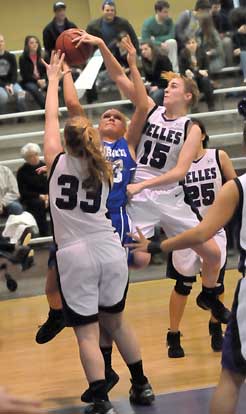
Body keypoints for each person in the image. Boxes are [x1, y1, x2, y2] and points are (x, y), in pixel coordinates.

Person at [73, 32, 231, 331]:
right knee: (132, 259)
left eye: (173, 86)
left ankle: (209, 295)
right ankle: (99, 302)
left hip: (168, 196)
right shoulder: (151, 110)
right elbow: (120, 77)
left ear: (187, 96)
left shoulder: (191, 127)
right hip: (141, 200)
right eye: (167, 85)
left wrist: (143, 185)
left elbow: (181, 171)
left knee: (213, 254)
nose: (166, 90)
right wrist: (104, 46)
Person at [42, 47, 154, 413]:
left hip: (76, 254)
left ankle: (101, 399)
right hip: (109, 248)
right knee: (117, 323)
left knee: (87, 334)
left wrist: (55, 80)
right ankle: (142, 384)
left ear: (66, 143)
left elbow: (53, 118)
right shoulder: (106, 165)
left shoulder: (56, 162)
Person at [126, 172, 246, 414]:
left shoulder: (235, 183)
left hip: (196, 228)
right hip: (186, 221)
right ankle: (175, 333)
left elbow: (202, 233)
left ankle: (210, 315)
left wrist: (158, 245)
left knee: (232, 376)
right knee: (183, 286)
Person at [165, 119, 236, 358]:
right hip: (186, 231)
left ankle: (215, 327)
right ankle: (173, 334)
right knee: (183, 286)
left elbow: (236, 187)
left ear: (203, 135)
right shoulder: (175, 164)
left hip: (213, 228)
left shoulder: (218, 156)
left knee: (216, 284)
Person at [86, 0, 140, 102]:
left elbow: (133, 39)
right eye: (107, 10)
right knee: (92, 61)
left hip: (119, 56)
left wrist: (137, 54)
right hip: (100, 56)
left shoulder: (123, 23)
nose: (110, 12)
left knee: (128, 71)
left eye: (112, 10)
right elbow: (87, 43)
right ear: (102, 11)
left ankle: (135, 99)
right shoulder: (93, 26)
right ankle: (92, 99)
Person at [17, 143, 49, 237]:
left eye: (35, 154)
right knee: (38, 204)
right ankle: (43, 234)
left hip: (48, 195)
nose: (34, 157)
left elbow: (52, 183)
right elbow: (23, 191)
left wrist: (48, 195)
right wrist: (39, 196)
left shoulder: (46, 166)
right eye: (30, 156)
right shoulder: (22, 171)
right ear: (25, 159)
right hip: (32, 198)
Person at [179, 37, 215, 111]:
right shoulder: (183, 54)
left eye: (193, 42)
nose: (191, 45)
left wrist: (197, 72)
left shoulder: (202, 52)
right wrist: (198, 72)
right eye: (189, 43)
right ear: (185, 45)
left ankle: (211, 106)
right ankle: (194, 107)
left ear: (196, 44)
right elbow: (182, 72)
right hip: (191, 80)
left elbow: (207, 70)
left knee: (205, 80)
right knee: (191, 80)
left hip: (202, 80)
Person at [141, 1, 179, 72]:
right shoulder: (148, 23)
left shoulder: (169, 21)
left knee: (172, 42)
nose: (167, 14)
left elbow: (172, 35)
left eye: (167, 11)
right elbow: (145, 39)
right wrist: (159, 43)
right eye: (165, 12)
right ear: (158, 11)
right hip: (154, 46)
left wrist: (156, 39)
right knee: (148, 48)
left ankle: (174, 71)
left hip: (166, 45)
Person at [0, 34, 26, 116]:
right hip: (0, 84)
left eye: (1, 41)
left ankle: (20, 115)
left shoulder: (11, 56)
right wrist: (5, 86)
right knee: (3, 97)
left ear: (4, 43)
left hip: (11, 83)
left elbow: (14, 73)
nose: (0, 44)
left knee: (21, 93)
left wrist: (11, 84)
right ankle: (2, 116)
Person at [140, 41, 173, 106]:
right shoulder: (145, 62)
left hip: (165, 85)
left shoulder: (162, 59)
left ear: (152, 49)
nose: (143, 52)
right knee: (140, 93)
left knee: (156, 95)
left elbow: (168, 77)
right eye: (142, 50)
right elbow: (149, 79)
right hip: (154, 86)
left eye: (146, 49)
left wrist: (158, 86)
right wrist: (147, 84)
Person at [19, 36, 46, 109]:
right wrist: (37, 81)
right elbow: (25, 76)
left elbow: (44, 71)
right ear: (27, 45)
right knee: (33, 89)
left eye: (36, 42)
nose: (35, 44)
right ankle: (47, 109)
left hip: (41, 80)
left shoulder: (41, 56)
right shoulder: (23, 58)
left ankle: (54, 108)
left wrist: (43, 79)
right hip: (29, 81)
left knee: (54, 86)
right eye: (32, 43)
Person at [210, 0, 234, 67]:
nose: (217, 10)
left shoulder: (223, 17)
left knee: (227, 41)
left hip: (222, 38)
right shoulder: (206, 18)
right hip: (209, 40)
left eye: (218, 7)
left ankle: (230, 66)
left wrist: (225, 34)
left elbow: (231, 31)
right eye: (215, 8)